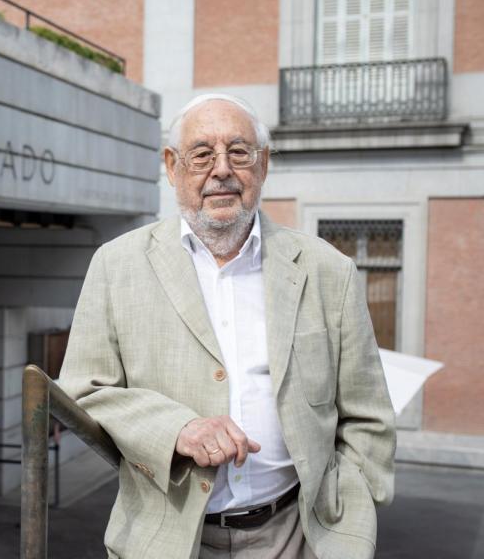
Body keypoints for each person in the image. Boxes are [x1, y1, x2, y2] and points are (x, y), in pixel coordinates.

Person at [57, 94, 395, 559]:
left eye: (239, 152)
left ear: (264, 165)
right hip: (167, 539)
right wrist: (177, 429)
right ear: (172, 167)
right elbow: (84, 391)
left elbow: (367, 417)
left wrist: (354, 524)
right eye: (201, 155)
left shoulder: (328, 270)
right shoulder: (117, 265)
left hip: (300, 536)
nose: (221, 170)